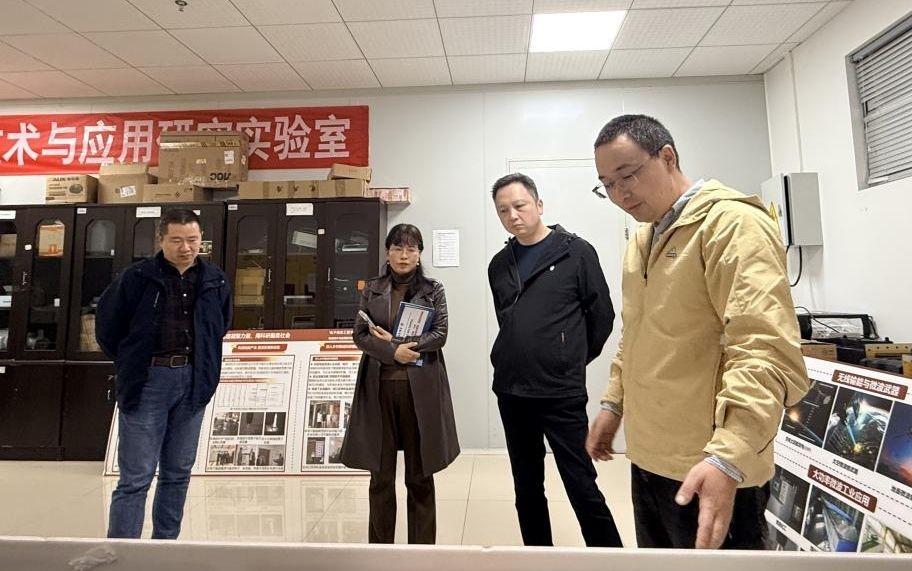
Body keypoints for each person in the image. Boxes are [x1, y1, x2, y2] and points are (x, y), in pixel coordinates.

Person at [586, 114, 809, 549]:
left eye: (627, 175)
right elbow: (638, 334)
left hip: (711, 463)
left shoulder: (732, 225)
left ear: (668, 157)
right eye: (606, 184)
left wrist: (730, 456)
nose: (619, 193)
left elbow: (764, 349)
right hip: (650, 455)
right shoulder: (643, 239)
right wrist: (614, 403)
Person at [488, 173, 623, 548]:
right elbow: (507, 321)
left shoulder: (576, 252)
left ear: (539, 204)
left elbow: (602, 316)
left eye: (519, 205)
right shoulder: (499, 264)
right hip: (512, 391)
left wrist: (569, 358)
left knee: (582, 485)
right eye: (503, 210)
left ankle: (611, 561)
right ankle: (538, 558)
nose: (513, 215)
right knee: (526, 486)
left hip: (560, 392)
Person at [96, 208, 231, 539]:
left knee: (178, 472)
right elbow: (108, 330)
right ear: (160, 240)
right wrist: (133, 363)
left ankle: (165, 547)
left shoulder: (214, 279)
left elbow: (220, 326)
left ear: (201, 239)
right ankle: (124, 551)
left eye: (192, 240)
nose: (186, 248)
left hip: (193, 382)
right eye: (177, 240)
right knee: (136, 476)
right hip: (148, 381)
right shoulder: (137, 278)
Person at [341, 223, 460, 544]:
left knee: (420, 477)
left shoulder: (433, 289)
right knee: (380, 477)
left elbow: (440, 334)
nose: (404, 255)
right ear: (387, 253)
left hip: (419, 391)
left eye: (410, 249)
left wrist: (400, 345)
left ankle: (422, 553)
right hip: (378, 390)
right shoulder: (373, 288)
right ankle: (381, 551)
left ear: (419, 254)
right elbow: (360, 335)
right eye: (397, 248)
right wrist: (394, 352)